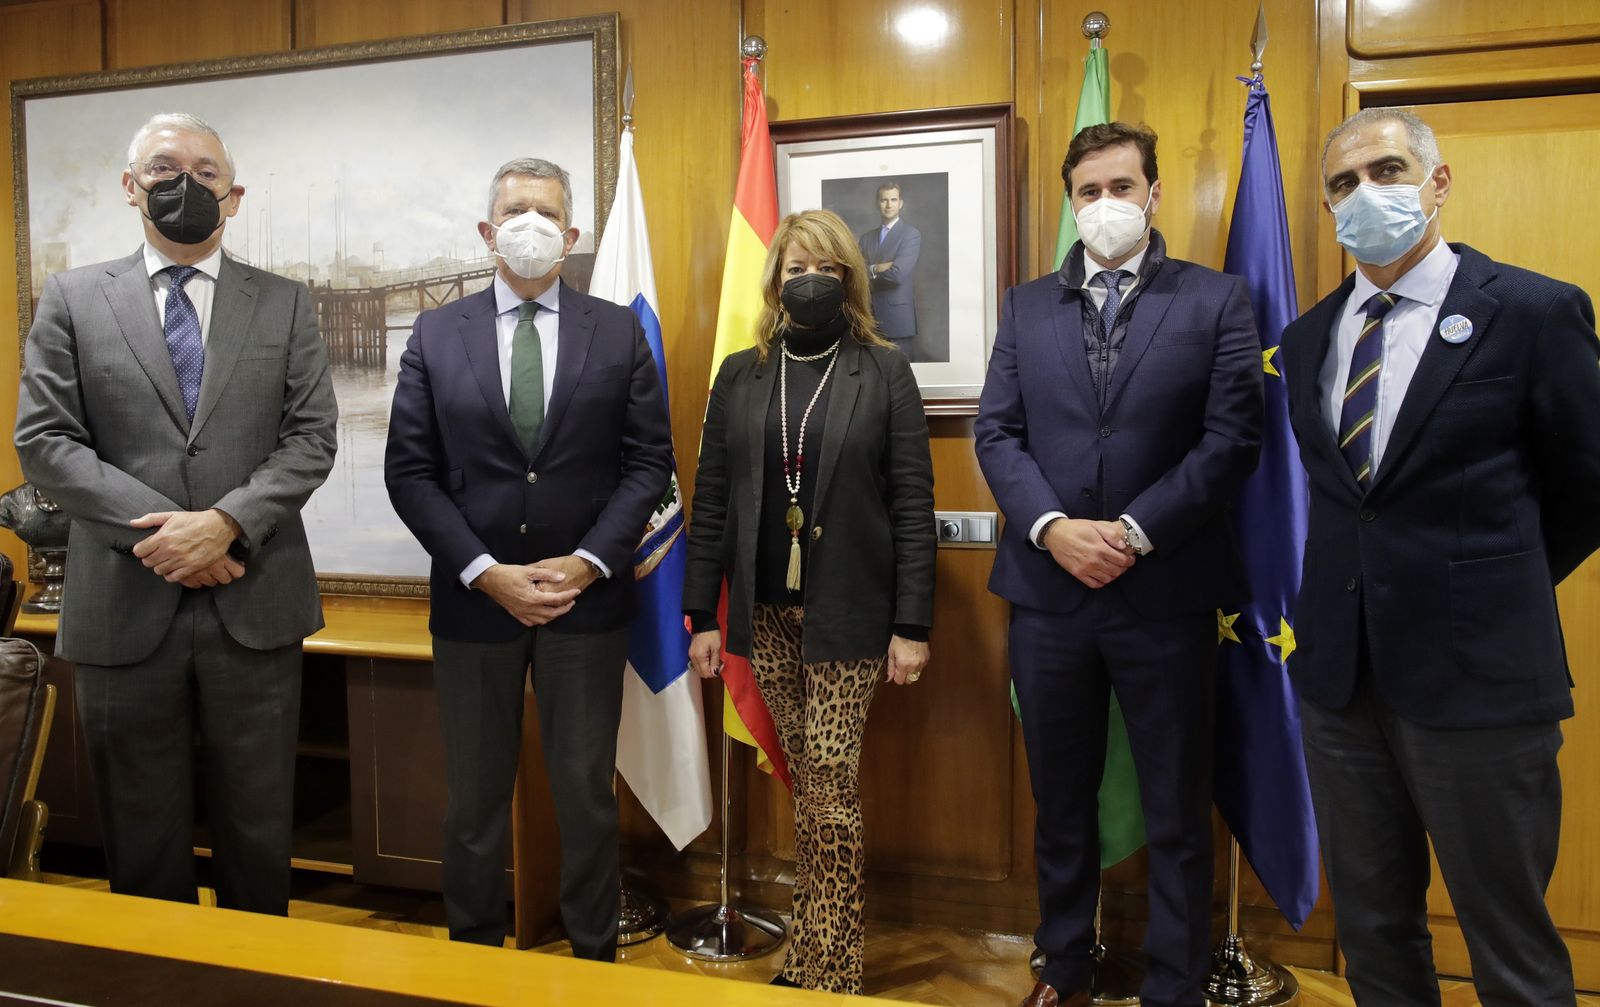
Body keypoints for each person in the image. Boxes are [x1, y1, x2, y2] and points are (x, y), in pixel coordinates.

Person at [1282, 108, 1600, 1006]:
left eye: (1385, 170)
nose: (1363, 194)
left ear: (1438, 182)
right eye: (1342, 183)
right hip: (1342, 684)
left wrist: (1488, 588)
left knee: (1509, 939)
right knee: (1376, 931)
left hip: (1481, 681)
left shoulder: (1533, 311)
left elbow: (1586, 484)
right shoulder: (1311, 337)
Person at [14, 112, 338, 913]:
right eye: (163, 169)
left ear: (232, 195)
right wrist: (170, 535)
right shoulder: (72, 298)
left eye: (203, 171)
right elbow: (46, 441)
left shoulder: (288, 303)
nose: (183, 185)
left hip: (254, 599)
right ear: (131, 187)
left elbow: (311, 438)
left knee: (260, 832)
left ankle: (258, 981)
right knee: (140, 837)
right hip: (124, 606)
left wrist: (224, 523)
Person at [974, 122, 1263, 1007]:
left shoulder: (1217, 301)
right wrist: (1054, 525)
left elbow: (1232, 440)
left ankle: (1174, 985)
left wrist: (1135, 531)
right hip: (1049, 593)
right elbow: (996, 432)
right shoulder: (1027, 306)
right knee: (1060, 805)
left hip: (1166, 591)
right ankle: (1064, 967)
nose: (1105, 205)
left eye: (1122, 187)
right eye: (1088, 192)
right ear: (1070, 202)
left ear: (1155, 193)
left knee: (1178, 807)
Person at [384, 158, 673, 957]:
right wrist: (486, 571)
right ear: (487, 232)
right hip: (476, 602)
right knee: (474, 801)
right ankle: (473, 954)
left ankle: (591, 960)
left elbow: (649, 462)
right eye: (515, 210)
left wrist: (587, 561)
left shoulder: (616, 329)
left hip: (587, 601)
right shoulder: (437, 333)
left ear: (572, 236)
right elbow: (409, 470)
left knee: (584, 795)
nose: (531, 224)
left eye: (547, 212)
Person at [683, 208, 935, 994]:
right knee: (811, 784)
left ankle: (833, 958)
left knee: (830, 780)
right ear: (775, 281)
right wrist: (700, 617)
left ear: (849, 276)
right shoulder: (741, 373)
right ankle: (815, 949)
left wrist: (913, 625)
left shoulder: (882, 369)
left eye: (821, 266)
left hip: (853, 615)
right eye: (793, 269)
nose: (807, 280)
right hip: (764, 612)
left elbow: (912, 503)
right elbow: (713, 501)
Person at [856, 181, 922, 354]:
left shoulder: (910, 234)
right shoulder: (866, 238)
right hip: (870, 318)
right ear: (877, 203)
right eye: (884, 200)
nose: (888, 204)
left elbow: (897, 274)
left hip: (897, 321)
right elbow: (856, 273)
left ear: (900, 203)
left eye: (893, 200)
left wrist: (868, 271)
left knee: (899, 377)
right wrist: (876, 268)